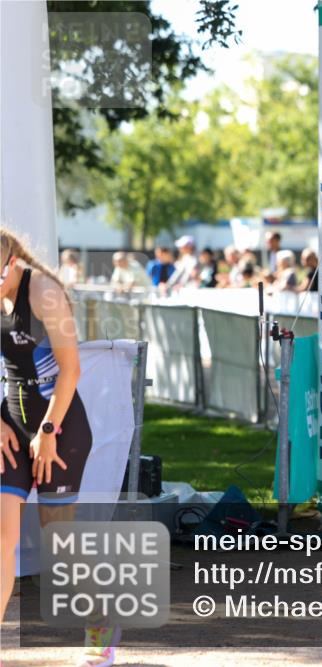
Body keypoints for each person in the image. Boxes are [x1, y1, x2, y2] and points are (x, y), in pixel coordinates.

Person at [0, 230, 120, 667]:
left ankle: (101, 625)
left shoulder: (45, 292)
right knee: (3, 537)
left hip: (60, 426)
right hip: (11, 424)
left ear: (11, 262)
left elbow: (70, 371)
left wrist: (48, 431)